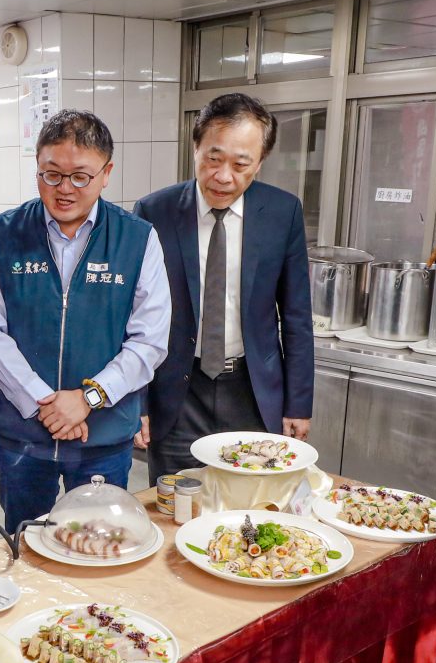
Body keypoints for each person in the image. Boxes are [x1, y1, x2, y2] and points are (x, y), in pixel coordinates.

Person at [0, 109, 169, 532]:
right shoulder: (1, 234)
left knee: (99, 545)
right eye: (51, 174)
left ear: (106, 174)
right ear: (38, 168)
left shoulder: (137, 239)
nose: (64, 189)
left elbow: (149, 342)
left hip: (102, 438)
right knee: (26, 544)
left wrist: (87, 399)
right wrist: (42, 401)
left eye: (80, 176)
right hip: (22, 436)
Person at [134, 92, 314, 476]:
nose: (223, 176)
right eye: (213, 159)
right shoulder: (155, 212)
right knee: (176, 505)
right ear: (195, 147)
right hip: (177, 393)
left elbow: (297, 315)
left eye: (240, 163)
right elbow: (134, 315)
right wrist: (139, 404)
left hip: (252, 392)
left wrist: (298, 403)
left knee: (248, 509)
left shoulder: (283, 213)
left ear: (260, 162)